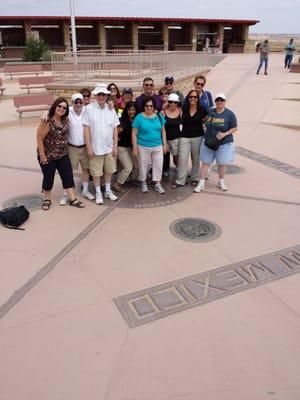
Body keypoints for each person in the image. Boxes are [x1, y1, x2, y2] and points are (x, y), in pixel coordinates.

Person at [36, 97, 84, 210]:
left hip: (62, 154)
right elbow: (39, 138)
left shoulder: (66, 119)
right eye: (59, 106)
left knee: (68, 176)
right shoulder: (47, 120)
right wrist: (42, 156)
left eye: (64, 107)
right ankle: (47, 199)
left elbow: (81, 108)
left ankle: (72, 199)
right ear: (55, 106)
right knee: (48, 177)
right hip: (48, 155)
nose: (62, 108)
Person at [83, 83, 119, 205]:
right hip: (96, 147)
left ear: (106, 96)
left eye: (103, 94)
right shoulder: (88, 109)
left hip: (109, 147)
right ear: (96, 95)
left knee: (109, 170)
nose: (101, 97)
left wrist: (115, 146)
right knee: (96, 172)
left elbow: (114, 128)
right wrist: (89, 147)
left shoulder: (111, 108)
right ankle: (98, 192)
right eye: (99, 94)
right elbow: (86, 129)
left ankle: (107, 191)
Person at [194, 93, 237, 193]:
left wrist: (225, 133)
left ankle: (221, 182)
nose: (219, 102)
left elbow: (234, 127)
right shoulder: (210, 111)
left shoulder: (229, 114)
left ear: (225, 101)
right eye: (217, 100)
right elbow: (204, 121)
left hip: (223, 143)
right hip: (209, 141)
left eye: (221, 100)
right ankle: (201, 183)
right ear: (215, 101)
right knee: (205, 163)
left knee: (221, 163)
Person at [59, 93, 95, 205]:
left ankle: (85, 190)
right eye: (76, 102)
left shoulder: (87, 111)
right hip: (72, 147)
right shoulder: (67, 111)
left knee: (86, 169)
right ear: (72, 102)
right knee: (68, 172)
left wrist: (110, 103)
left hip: (85, 147)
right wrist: (45, 113)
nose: (78, 104)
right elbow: (54, 111)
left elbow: (101, 104)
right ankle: (67, 193)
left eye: (80, 102)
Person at [132, 97, 168, 194]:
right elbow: (134, 133)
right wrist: (135, 147)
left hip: (157, 145)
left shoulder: (159, 116)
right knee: (143, 165)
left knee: (158, 165)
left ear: (154, 106)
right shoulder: (139, 117)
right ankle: (143, 182)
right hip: (143, 145)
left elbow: (163, 131)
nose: (149, 108)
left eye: (151, 106)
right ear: (144, 106)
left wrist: (164, 144)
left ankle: (157, 183)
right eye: (147, 106)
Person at [173, 89, 208, 188]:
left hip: (198, 136)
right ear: (188, 98)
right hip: (184, 136)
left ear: (198, 99)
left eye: (195, 97)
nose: (193, 98)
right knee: (182, 158)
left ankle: (194, 178)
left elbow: (206, 120)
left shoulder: (202, 109)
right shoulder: (183, 108)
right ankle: (180, 180)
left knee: (195, 159)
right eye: (191, 96)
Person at [113, 101, 139, 191]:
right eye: (129, 110)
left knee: (137, 166)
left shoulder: (138, 120)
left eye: (133, 110)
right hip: (122, 148)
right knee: (128, 167)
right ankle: (117, 184)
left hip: (132, 148)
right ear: (126, 110)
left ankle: (131, 179)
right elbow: (115, 134)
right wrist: (115, 146)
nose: (131, 112)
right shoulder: (122, 121)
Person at [162, 93, 182, 176]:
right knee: (165, 155)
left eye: (175, 102)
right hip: (166, 138)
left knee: (176, 156)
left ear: (177, 103)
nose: (173, 104)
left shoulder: (180, 111)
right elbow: (161, 127)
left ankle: (179, 169)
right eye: (170, 102)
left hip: (176, 138)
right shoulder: (163, 112)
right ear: (168, 102)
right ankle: (165, 169)